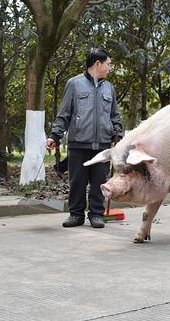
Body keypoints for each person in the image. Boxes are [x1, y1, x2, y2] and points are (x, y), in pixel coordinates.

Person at [46, 48, 122, 228]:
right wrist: (54, 136)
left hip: (103, 144)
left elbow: (115, 115)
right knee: (77, 181)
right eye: (108, 64)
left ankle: (96, 214)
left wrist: (117, 133)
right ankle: (76, 214)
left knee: (99, 181)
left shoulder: (109, 87)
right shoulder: (74, 84)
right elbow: (64, 113)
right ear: (98, 64)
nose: (109, 68)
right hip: (79, 142)